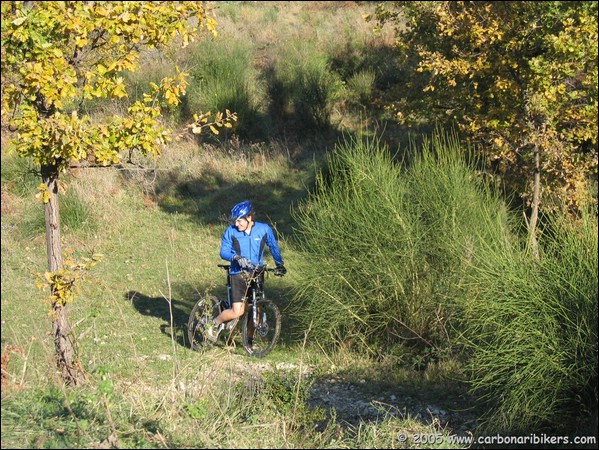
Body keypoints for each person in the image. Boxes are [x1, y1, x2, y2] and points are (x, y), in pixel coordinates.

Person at [206, 200, 286, 341]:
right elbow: (223, 252)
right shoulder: (231, 231)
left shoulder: (264, 229)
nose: (236, 224)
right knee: (238, 311)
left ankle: (249, 340)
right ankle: (214, 324)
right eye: (235, 221)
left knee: (257, 307)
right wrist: (236, 257)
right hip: (238, 273)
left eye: (239, 221)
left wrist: (279, 264)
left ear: (249, 217)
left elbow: (273, 246)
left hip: (257, 272)